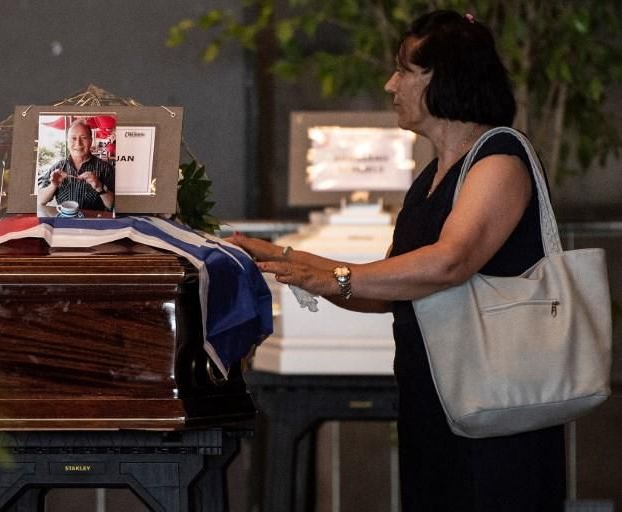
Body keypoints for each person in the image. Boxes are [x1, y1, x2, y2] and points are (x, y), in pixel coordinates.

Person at [228, 10, 565, 511]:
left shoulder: (499, 160)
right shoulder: (429, 178)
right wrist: (287, 259)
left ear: (444, 78)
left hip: (498, 406)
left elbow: (450, 262)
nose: (391, 84)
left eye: (404, 70)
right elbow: (388, 291)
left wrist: (336, 275)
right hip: (432, 400)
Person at [37, 119, 115, 211]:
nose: (78, 143)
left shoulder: (105, 168)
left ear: (91, 141)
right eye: (73, 138)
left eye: (84, 138)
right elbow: (40, 200)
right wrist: (53, 185)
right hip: (64, 218)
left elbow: (112, 205)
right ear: (67, 142)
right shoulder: (58, 167)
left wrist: (100, 187)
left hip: (93, 219)